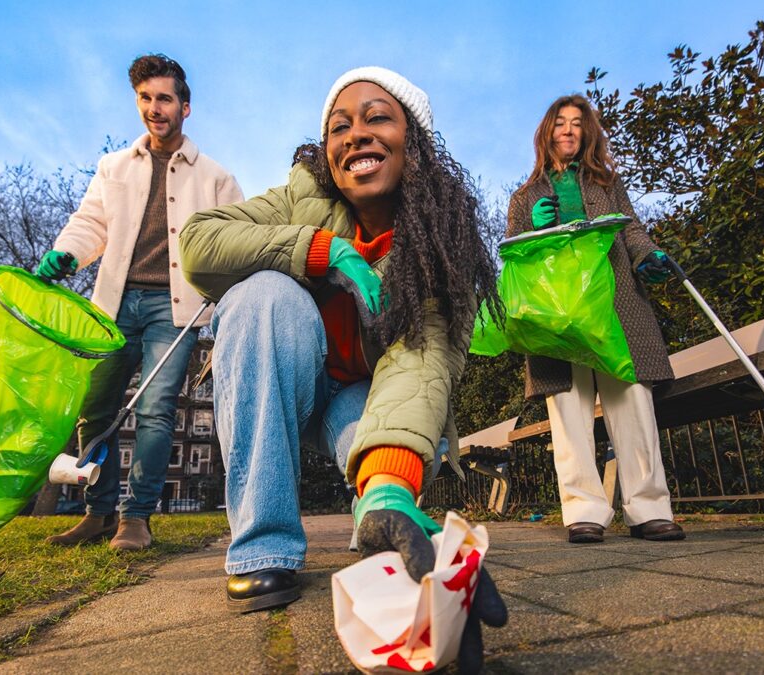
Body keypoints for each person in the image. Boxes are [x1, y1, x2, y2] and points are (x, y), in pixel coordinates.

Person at [180, 66, 506, 668]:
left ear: (416, 144)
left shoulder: (440, 243)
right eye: (339, 126)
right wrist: (318, 249)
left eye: (377, 118)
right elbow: (200, 242)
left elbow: (419, 368)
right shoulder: (302, 197)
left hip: (366, 398)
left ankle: (381, 519)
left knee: (392, 465)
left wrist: (387, 484)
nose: (355, 134)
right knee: (261, 294)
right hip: (286, 380)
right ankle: (263, 548)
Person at [40, 54, 244, 550]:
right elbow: (91, 222)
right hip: (112, 306)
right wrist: (67, 253)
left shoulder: (215, 177)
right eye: (146, 98)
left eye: (165, 99)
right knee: (96, 409)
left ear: (185, 107)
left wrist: (223, 302)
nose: (155, 108)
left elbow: (237, 239)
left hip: (173, 310)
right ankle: (98, 513)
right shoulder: (113, 167)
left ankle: (137, 518)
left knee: (154, 410)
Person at [506, 95, 684, 544]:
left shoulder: (606, 183)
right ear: (547, 134)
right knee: (569, 408)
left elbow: (631, 228)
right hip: (557, 313)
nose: (568, 130)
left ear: (587, 134)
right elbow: (513, 254)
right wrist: (532, 226)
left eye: (577, 124)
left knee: (632, 402)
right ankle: (584, 510)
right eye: (560, 124)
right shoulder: (524, 196)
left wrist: (647, 255)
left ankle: (649, 509)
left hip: (615, 303)